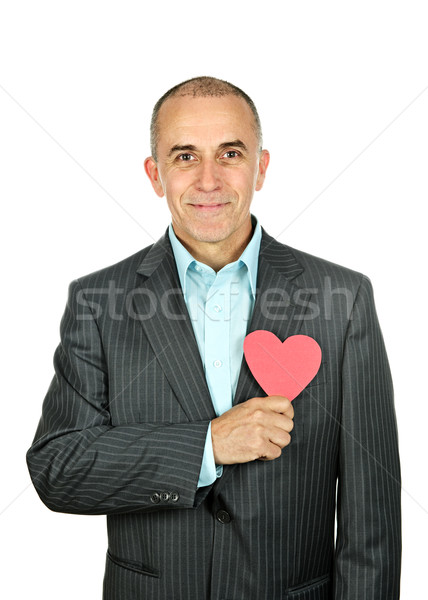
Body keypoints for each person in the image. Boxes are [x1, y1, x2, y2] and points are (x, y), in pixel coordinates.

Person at [26, 76, 401, 599]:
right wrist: (208, 445)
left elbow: (372, 521)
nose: (208, 180)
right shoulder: (97, 301)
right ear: (155, 175)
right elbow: (58, 468)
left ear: (261, 168)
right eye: (184, 157)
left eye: (229, 152)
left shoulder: (343, 298)